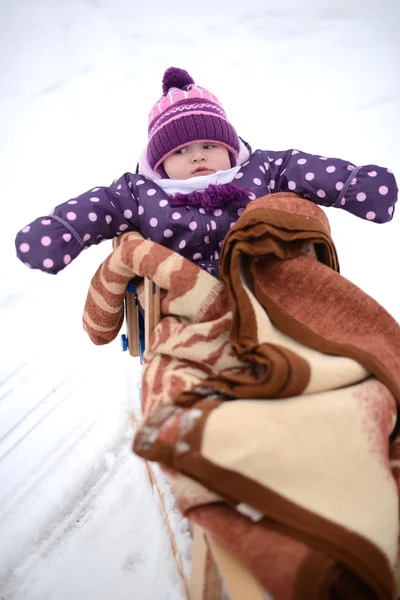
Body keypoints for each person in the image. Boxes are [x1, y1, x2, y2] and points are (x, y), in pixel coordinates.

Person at [15, 67, 398, 278]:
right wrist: (61, 230)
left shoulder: (260, 170)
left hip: (264, 277)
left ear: (230, 149)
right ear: (160, 162)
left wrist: (355, 185)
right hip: (185, 296)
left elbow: (306, 169)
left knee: (304, 294)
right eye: (181, 151)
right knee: (179, 332)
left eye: (210, 146)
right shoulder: (139, 192)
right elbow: (98, 207)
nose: (199, 157)